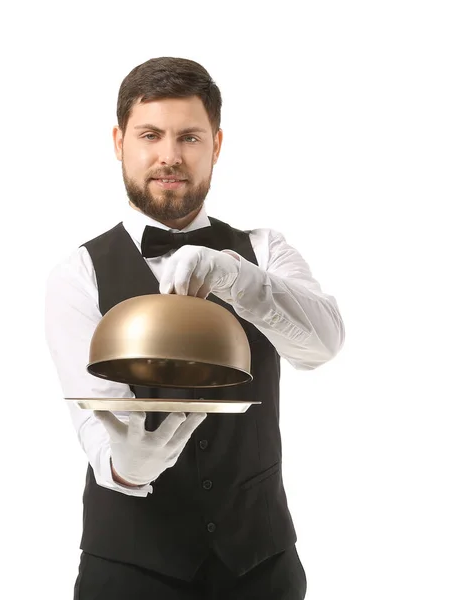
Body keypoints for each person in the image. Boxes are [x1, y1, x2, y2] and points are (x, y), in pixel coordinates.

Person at [45, 56, 345, 599]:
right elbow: (95, 420)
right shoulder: (78, 274)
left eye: (189, 137)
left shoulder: (264, 250)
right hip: (130, 569)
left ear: (217, 144)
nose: (169, 156)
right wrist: (129, 468)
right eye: (150, 135)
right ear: (119, 142)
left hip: (260, 564)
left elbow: (322, 346)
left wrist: (238, 279)